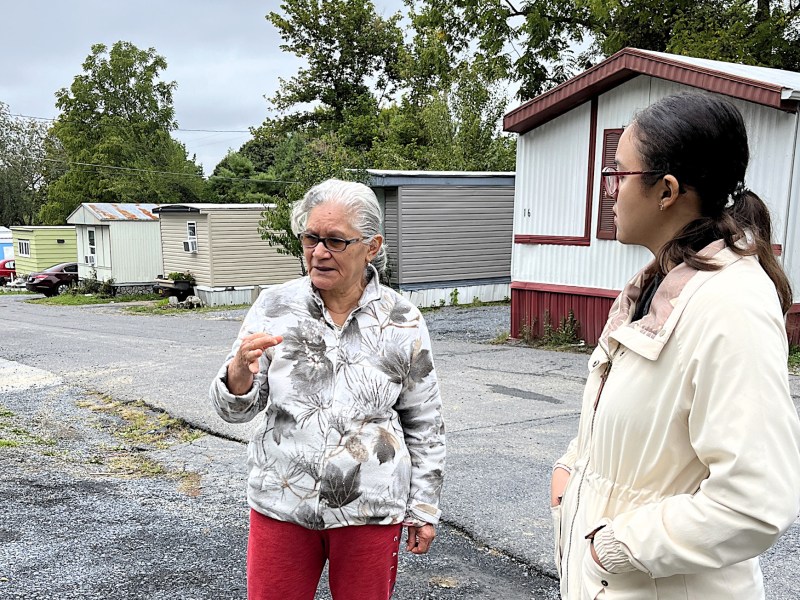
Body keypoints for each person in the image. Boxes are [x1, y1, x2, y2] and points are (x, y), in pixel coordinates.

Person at [550, 93, 800, 599]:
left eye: (617, 175)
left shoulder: (731, 304)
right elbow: (637, 432)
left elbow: (754, 500)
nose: (611, 193)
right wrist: (571, 468)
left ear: (666, 191)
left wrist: (613, 547)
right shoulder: (655, 288)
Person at [209, 179, 446, 600]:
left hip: (370, 508)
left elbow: (425, 422)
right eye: (311, 238)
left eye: (335, 241)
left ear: (371, 247)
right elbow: (235, 409)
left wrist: (424, 507)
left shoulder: (403, 319)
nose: (318, 252)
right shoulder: (273, 305)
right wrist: (238, 374)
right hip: (282, 502)